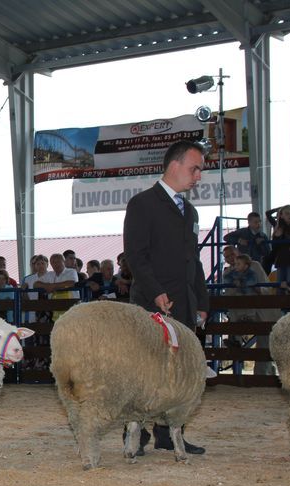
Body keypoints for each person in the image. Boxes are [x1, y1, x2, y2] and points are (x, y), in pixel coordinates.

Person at [123, 139, 209, 455]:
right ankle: (135, 433)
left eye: (200, 170)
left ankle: (169, 432)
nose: (198, 175)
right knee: (145, 370)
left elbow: (193, 260)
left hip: (184, 304)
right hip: (150, 304)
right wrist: (155, 290)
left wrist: (202, 302)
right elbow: (135, 254)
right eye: (194, 168)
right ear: (174, 165)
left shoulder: (190, 211)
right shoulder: (142, 204)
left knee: (178, 373)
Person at [270, 204, 290, 291]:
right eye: (287, 213)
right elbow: (274, 247)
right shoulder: (279, 228)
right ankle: (280, 303)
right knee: (279, 285)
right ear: (281, 216)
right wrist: (277, 236)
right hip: (281, 259)